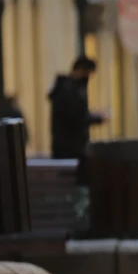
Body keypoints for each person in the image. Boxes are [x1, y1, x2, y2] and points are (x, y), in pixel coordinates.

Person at [49, 56, 106, 184]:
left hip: (67, 147)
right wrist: (97, 118)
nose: (88, 78)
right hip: (71, 149)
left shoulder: (67, 88)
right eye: (88, 73)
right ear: (81, 70)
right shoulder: (71, 90)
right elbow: (76, 117)